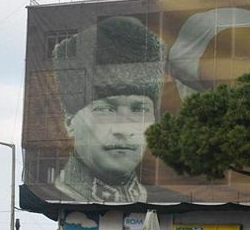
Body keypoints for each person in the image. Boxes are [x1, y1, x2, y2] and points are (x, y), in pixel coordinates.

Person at [51, 16, 165, 203]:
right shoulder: (57, 197)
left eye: (140, 110)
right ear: (70, 122)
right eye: (105, 110)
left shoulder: (167, 200)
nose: (124, 129)